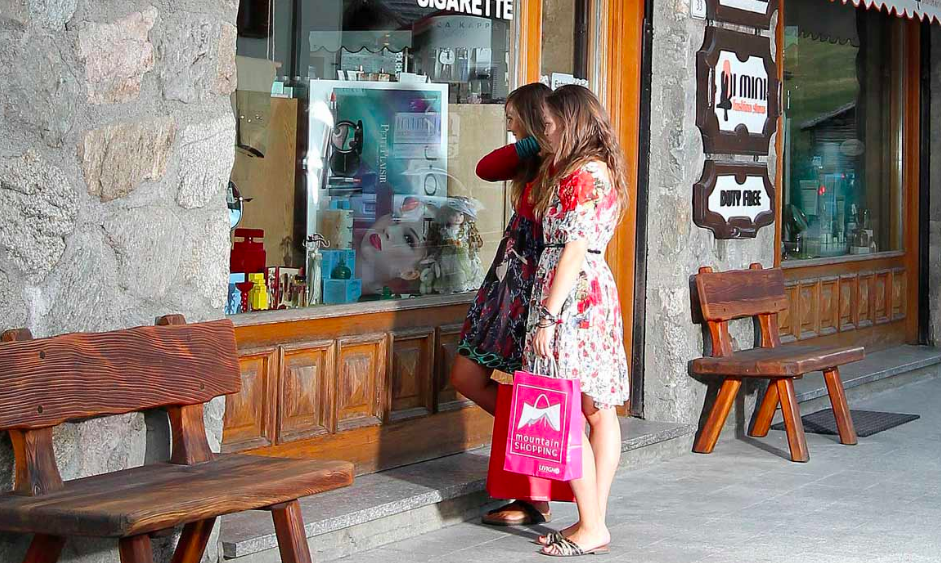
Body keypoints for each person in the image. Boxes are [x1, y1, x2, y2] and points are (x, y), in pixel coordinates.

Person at [525, 84, 630, 557]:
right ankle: (594, 520)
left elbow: (572, 248)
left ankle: (592, 525)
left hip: (572, 297)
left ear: (571, 122)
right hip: (592, 292)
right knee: (596, 409)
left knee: (567, 411)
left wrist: (547, 316)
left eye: (549, 124)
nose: (545, 132)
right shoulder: (599, 168)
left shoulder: (582, 174)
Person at [450, 82, 557, 526]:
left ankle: (533, 495)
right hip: (503, 287)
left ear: (530, 116)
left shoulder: (558, 165)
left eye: (513, 118)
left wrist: (544, 140)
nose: (509, 125)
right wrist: (531, 143)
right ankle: (541, 447)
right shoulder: (530, 160)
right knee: (467, 377)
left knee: (528, 393)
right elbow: (485, 168)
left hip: (531, 291)